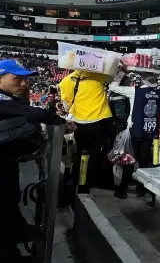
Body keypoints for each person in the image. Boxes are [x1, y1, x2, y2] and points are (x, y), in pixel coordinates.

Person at [0, 59, 75, 262]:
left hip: (6, 169)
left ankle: (16, 236)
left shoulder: (8, 99)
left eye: (26, 80)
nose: (24, 84)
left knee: (8, 205)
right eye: (17, 79)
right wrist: (60, 120)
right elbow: (28, 112)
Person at [108, 66, 160, 199]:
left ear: (142, 81)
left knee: (129, 159)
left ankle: (123, 189)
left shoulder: (134, 92)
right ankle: (142, 189)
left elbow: (112, 87)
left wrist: (122, 72)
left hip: (135, 130)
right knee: (144, 160)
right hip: (150, 131)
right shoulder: (158, 93)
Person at [58, 69, 114, 195]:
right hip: (100, 121)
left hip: (80, 123)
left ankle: (74, 181)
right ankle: (87, 184)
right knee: (95, 154)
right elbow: (114, 79)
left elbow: (66, 105)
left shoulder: (66, 81)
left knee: (81, 153)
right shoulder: (99, 74)